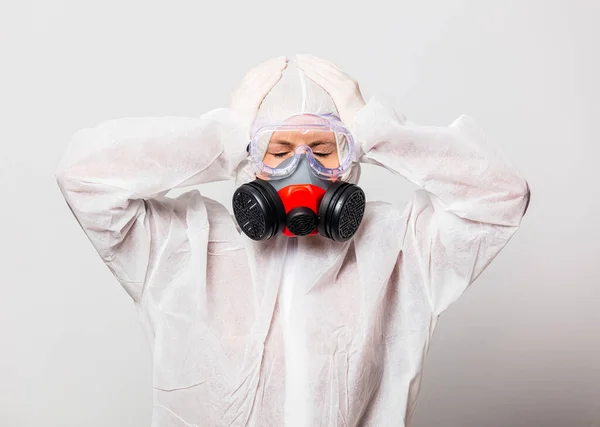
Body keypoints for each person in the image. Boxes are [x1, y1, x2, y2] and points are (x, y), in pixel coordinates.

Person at [55, 54, 530, 427]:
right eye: (278, 150)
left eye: (323, 149)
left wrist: (377, 129)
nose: (302, 166)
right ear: (249, 160)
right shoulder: (182, 245)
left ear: (351, 158)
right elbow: (83, 178)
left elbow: (500, 197)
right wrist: (222, 135)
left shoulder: (399, 250)